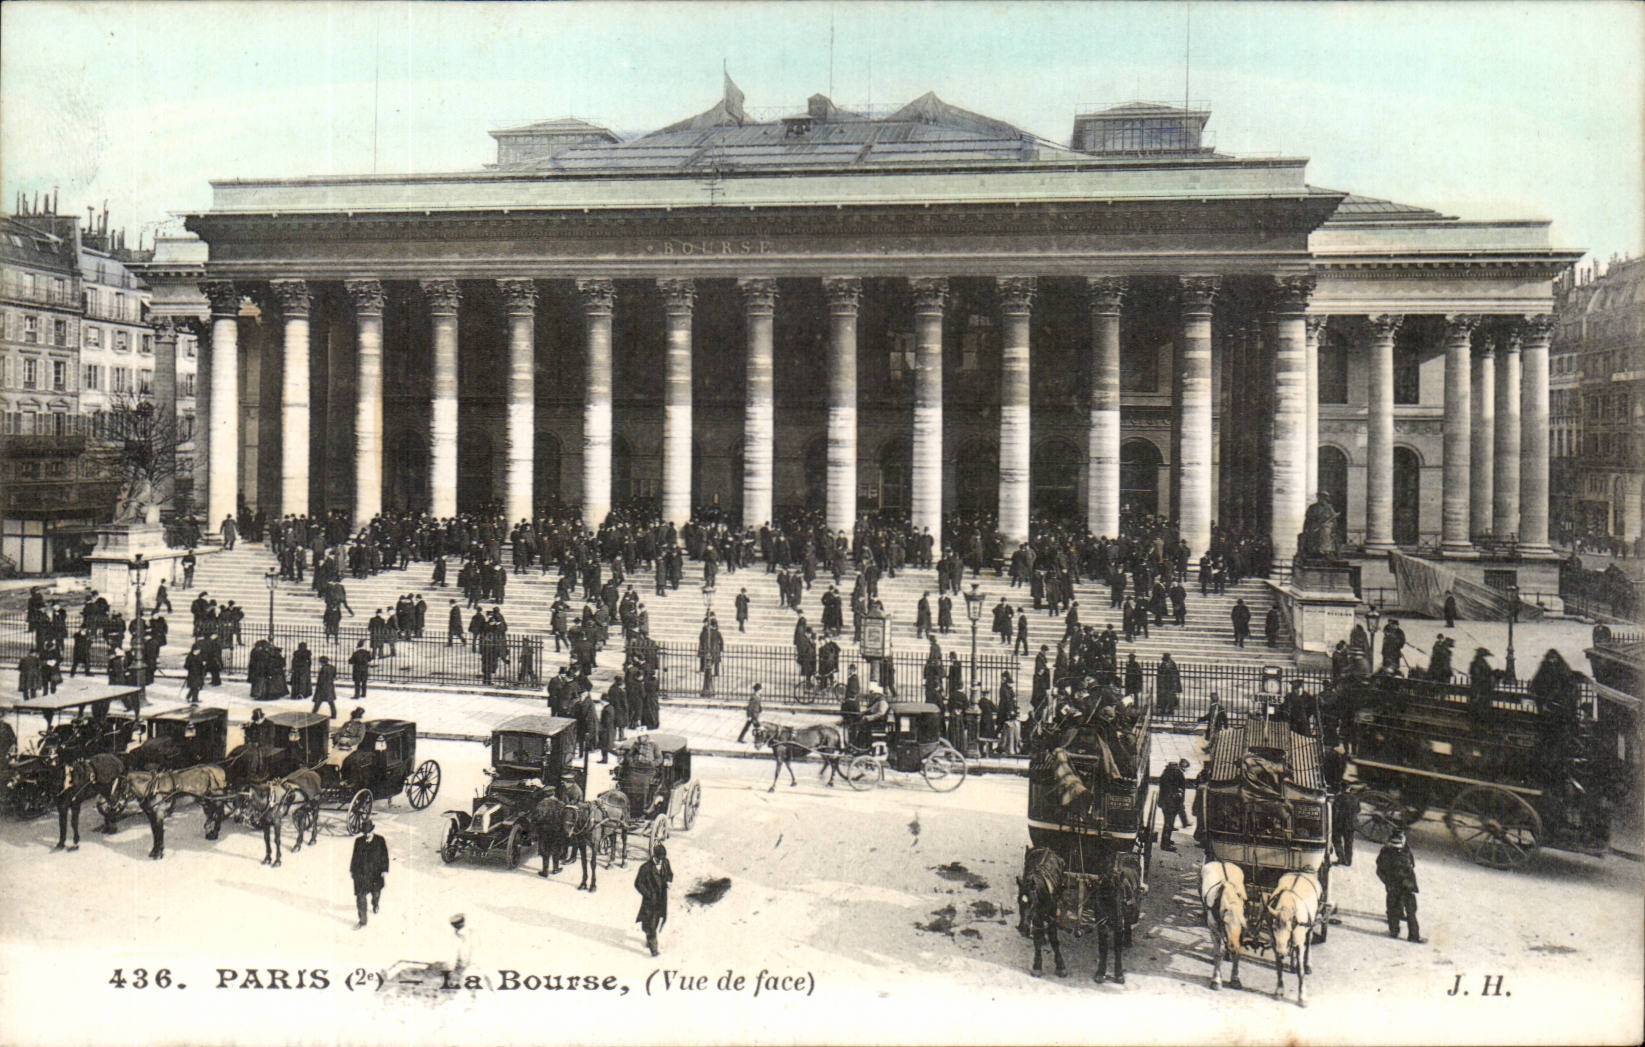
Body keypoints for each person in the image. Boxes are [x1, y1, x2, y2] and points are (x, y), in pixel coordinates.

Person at [1375, 829, 1423, 943]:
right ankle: (1413, 936)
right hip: (1407, 886)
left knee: (1392, 909)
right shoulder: (1406, 851)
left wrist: (1387, 881)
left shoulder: (1385, 852)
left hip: (1393, 886)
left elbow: (1379, 871)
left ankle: (1394, 931)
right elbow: (1412, 864)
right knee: (1411, 911)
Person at [634, 842, 674, 957]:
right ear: (654, 857)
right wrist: (648, 894)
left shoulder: (666, 863)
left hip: (662, 899)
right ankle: (654, 949)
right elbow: (638, 883)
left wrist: (668, 881)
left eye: (663, 858)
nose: (661, 861)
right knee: (651, 924)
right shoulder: (645, 868)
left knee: (655, 921)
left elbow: (670, 874)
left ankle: (649, 935)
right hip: (650, 901)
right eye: (659, 859)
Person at [349, 820, 390, 928]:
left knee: (376, 893)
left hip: (375, 875)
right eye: (365, 833)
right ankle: (362, 921)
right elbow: (355, 857)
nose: (367, 835)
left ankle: (375, 903)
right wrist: (353, 871)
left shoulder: (380, 840)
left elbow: (384, 856)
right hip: (361, 875)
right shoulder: (358, 841)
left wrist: (384, 870)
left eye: (369, 832)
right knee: (360, 898)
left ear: (372, 830)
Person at [1158, 758, 1190, 851]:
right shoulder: (1178, 774)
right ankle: (1165, 844)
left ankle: (1167, 840)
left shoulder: (1166, 773)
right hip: (1172, 804)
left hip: (1165, 803)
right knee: (1169, 824)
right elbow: (1179, 789)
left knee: (1168, 823)